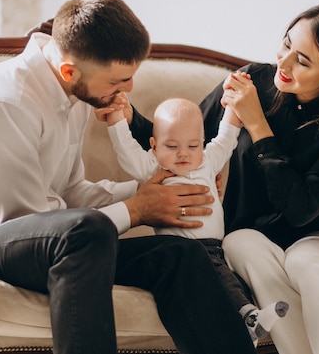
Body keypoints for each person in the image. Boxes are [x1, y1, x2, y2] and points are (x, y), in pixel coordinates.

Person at [0, 0, 258, 354]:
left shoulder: (76, 91)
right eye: (117, 82)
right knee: (89, 229)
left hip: (65, 239)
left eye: (130, 78)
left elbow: (69, 192)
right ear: (70, 71)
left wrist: (151, 188)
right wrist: (136, 210)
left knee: (181, 255)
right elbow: (26, 221)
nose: (127, 91)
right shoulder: (4, 104)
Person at [126, 1, 319, 354]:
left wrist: (257, 125)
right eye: (287, 45)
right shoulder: (252, 80)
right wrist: (127, 116)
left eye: (302, 60)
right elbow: (179, 140)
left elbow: (300, 210)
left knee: (305, 262)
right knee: (240, 242)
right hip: (251, 238)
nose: (283, 63)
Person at [103, 96, 288, 346]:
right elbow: (127, 152)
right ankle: (248, 316)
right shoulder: (154, 167)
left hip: (216, 246)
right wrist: (116, 120)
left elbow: (225, 139)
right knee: (219, 279)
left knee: (233, 279)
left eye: (192, 146)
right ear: (154, 145)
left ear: (202, 143)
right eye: (171, 146)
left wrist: (234, 109)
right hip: (186, 250)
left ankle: (247, 321)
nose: (183, 154)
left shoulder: (207, 161)